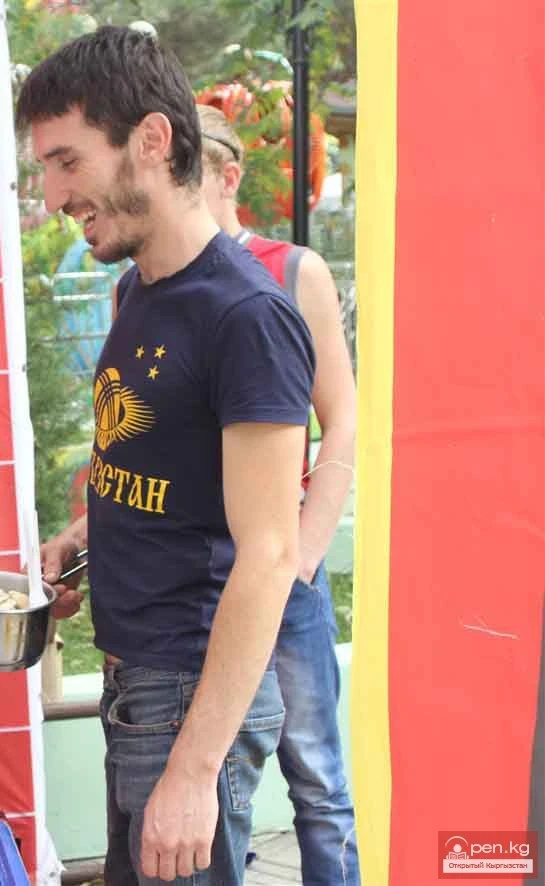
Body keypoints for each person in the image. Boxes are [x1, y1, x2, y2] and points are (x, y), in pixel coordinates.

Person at [17, 27, 316, 885]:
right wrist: (83, 539)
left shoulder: (246, 318)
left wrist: (191, 773)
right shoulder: (137, 288)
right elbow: (160, 469)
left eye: (67, 161)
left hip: (189, 694)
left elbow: (269, 550)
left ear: (150, 140)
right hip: (139, 684)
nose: (53, 196)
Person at [198, 103, 360, 885]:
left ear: (227, 177)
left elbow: (343, 416)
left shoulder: (292, 270)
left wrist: (306, 550)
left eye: (188, 174)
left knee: (317, 781)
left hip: (282, 565)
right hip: (196, 575)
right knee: (210, 782)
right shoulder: (138, 284)